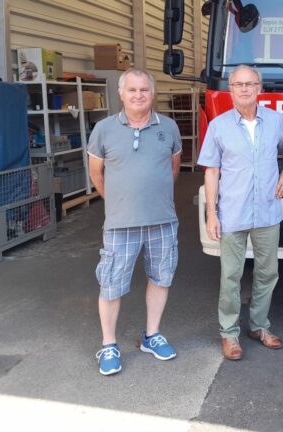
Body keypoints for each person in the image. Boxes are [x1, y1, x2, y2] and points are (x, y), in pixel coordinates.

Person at [88, 68, 182, 376]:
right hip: (120, 223)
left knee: (161, 277)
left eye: (144, 90)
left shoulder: (168, 127)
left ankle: (151, 336)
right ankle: (108, 344)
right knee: (112, 283)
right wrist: (117, 201)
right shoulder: (103, 129)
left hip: (162, 220)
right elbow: (96, 174)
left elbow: (173, 169)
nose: (138, 95)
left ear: (152, 93)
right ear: (121, 94)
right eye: (132, 90)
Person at [198, 65, 283, 361]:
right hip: (232, 212)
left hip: (267, 211)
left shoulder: (276, 121)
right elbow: (211, 172)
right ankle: (229, 334)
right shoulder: (218, 126)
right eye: (238, 84)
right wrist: (212, 214)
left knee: (268, 273)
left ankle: (259, 326)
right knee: (231, 274)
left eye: (250, 84)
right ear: (230, 89)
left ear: (259, 88)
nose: (244, 89)